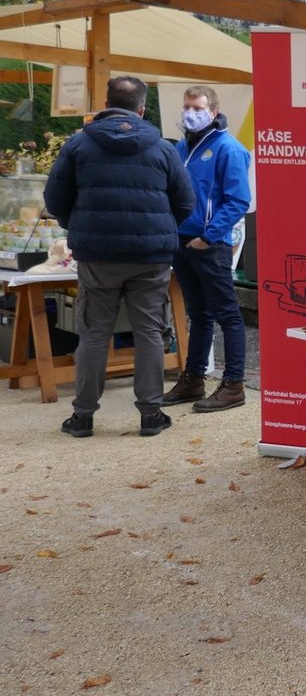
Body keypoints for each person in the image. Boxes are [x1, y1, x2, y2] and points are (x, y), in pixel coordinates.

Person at [43, 76, 195, 438]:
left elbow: (54, 200)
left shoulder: (79, 144)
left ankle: (83, 417)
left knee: (94, 333)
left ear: (106, 102)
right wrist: (157, 229)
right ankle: (150, 415)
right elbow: (185, 202)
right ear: (142, 108)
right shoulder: (162, 148)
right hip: (151, 256)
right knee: (149, 332)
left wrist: (77, 226)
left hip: (98, 255)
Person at [161, 85, 253, 413]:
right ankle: (194, 379)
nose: (190, 112)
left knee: (227, 314)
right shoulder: (179, 148)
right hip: (181, 244)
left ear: (213, 111)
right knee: (198, 314)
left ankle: (234, 384)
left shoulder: (229, 148)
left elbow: (239, 200)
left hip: (208, 245)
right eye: (186, 106)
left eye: (197, 107)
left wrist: (209, 236)